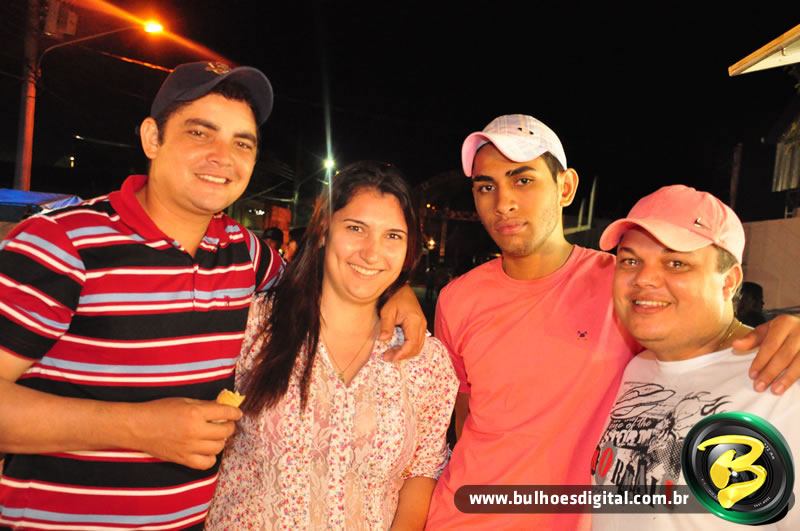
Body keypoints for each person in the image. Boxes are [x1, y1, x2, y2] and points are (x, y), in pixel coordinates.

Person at [0, 63, 426, 530]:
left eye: (242, 143)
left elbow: (338, 280)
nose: (222, 157)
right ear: (152, 138)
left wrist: (395, 288)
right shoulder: (62, 244)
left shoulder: (245, 255)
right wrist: (138, 427)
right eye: (199, 133)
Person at [426, 114, 800, 530]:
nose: (503, 203)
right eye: (485, 186)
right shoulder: (457, 299)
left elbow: (706, 330)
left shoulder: (625, 290)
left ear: (565, 187)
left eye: (523, 180)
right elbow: (464, 416)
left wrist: (782, 330)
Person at [206, 161, 458, 529]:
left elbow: (423, 469)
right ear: (324, 230)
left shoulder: (424, 360)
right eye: (356, 228)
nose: (372, 253)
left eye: (392, 236)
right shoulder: (252, 328)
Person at [591, 185, 798, 529]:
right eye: (630, 260)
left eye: (676, 263)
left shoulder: (782, 378)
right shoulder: (636, 368)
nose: (644, 279)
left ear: (728, 282)